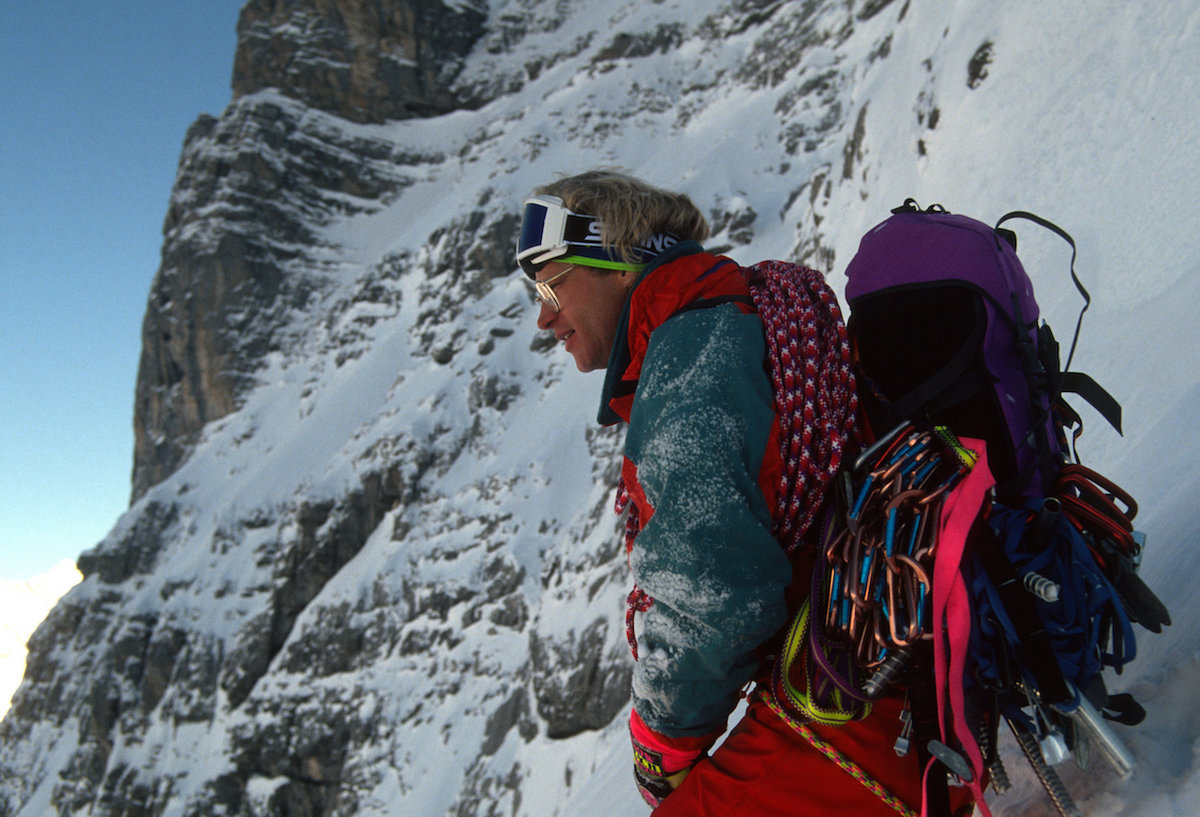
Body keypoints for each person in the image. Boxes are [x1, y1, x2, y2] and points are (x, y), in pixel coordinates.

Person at [516, 169, 974, 816]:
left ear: (618, 262)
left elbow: (710, 595)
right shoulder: (745, 307)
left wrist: (660, 746)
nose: (542, 315)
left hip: (862, 706)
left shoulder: (690, 360)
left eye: (548, 281)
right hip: (904, 658)